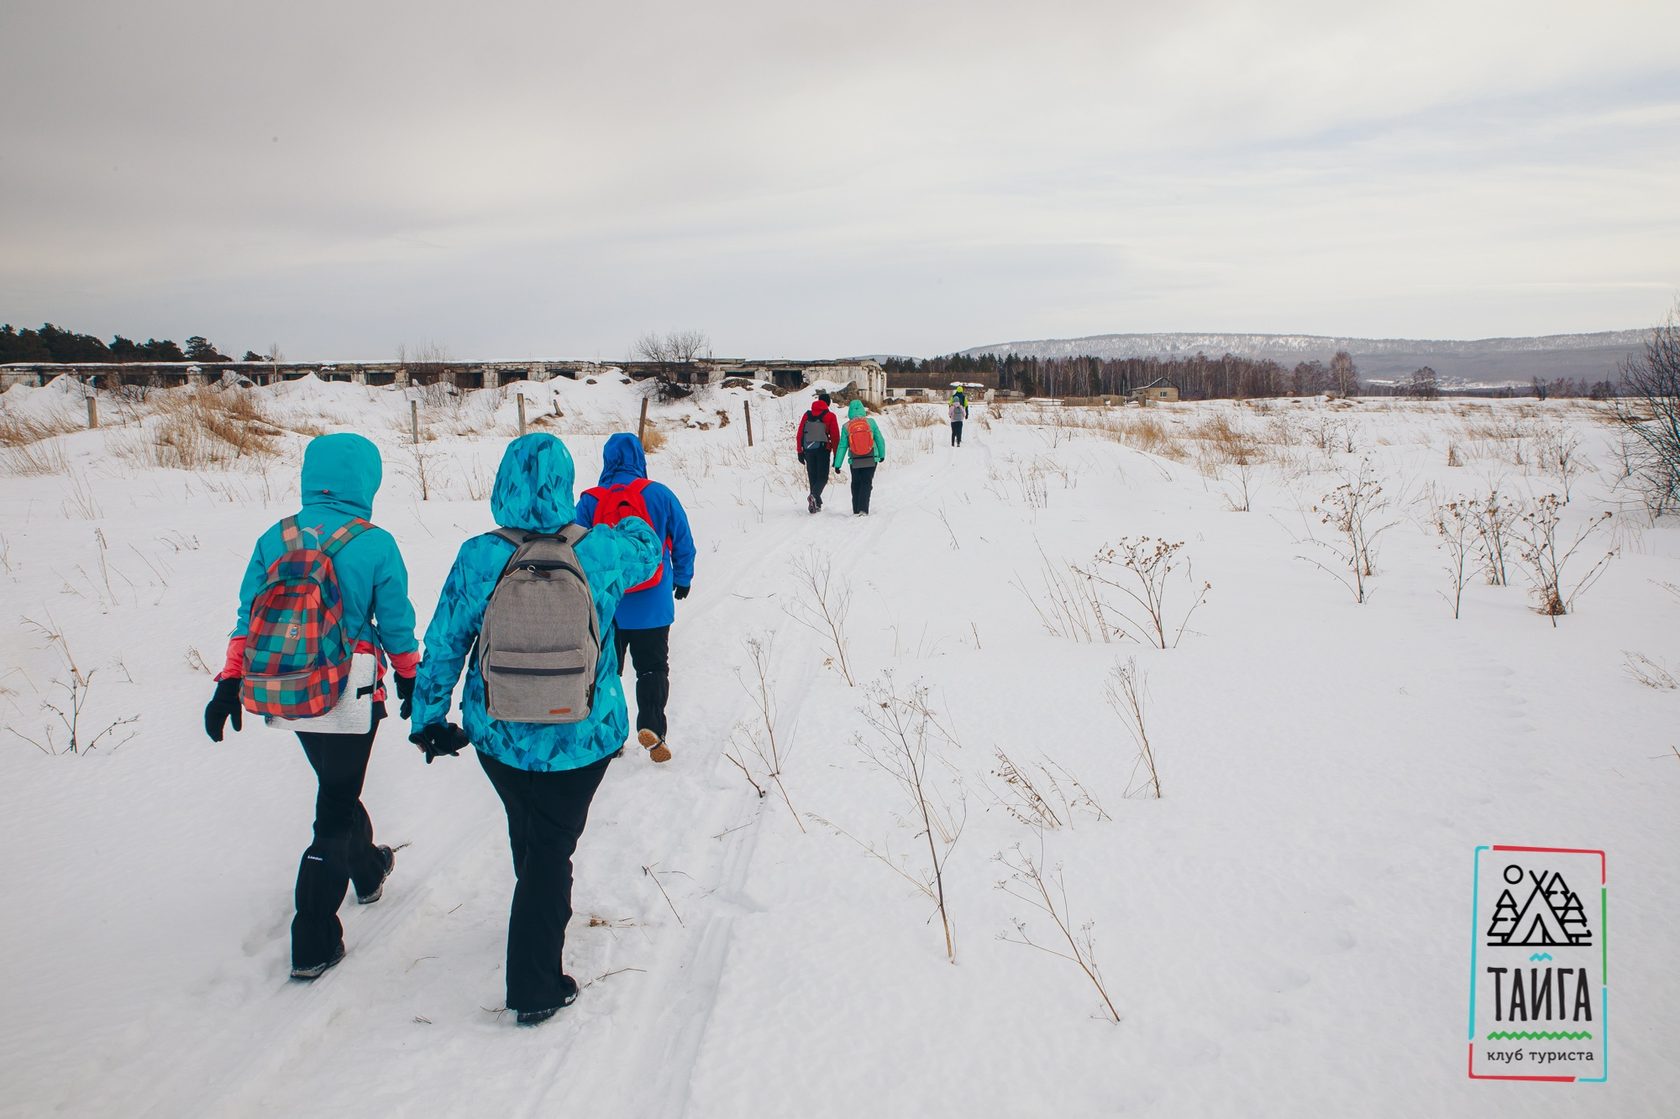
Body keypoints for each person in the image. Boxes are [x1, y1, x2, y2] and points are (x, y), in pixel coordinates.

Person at [408, 433, 660, 1026]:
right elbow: (648, 550)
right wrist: (619, 510)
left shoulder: (478, 555)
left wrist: (427, 717)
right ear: (566, 482)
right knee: (552, 850)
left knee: (530, 831)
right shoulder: (599, 550)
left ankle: (533, 906)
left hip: (499, 733)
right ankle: (536, 985)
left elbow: (444, 642)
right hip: (583, 735)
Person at [203, 432, 420, 981]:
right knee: (334, 809)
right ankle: (314, 937)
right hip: (350, 690)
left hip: (287, 687)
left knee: (336, 787)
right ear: (367, 480)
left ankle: (368, 869)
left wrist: (230, 683)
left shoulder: (274, 539)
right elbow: (395, 624)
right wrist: (412, 678)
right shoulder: (375, 543)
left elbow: (246, 618)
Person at [575, 432, 695, 764]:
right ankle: (652, 726)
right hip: (652, 603)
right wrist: (683, 578)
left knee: (605, 673)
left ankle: (609, 738)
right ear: (640, 459)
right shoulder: (659, 494)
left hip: (604, 606)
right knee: (652, 668)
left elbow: (573, 548)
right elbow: (682, 538)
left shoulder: (590, 500)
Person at [832, 399, 887, 515]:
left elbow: (842, 446)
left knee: (856, 483)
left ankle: (856, 509)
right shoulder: (871, 422)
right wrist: (882, 455)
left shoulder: (846, 426)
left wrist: (837, 464)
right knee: (866, 482)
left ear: (850, 411)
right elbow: (879, 439)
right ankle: (863, 509)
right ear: (863, 409)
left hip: (855, 459)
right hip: (871, 457)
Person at [794, 390, 841, 514]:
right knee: (823, 478)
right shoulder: (830, 416)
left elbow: (799, 434)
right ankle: (814, 496)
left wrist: (799, 451)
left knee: (813, 477)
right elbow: (835, 438)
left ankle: (816, 504)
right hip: (823, 451)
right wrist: (837, 457)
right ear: (828, 403)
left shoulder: (807, 415)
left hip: (808, 450)